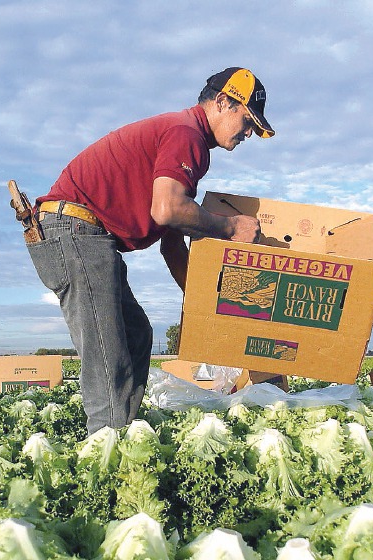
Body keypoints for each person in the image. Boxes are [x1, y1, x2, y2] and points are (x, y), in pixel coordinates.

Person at [25, 67, 274, 434]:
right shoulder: (185, 134)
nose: (249, 133)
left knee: (137, 334)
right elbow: (168, 209)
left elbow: (171, 242)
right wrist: (232, 226)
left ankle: (121, 431)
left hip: (78, 233)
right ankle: (107, 454)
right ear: (222, 102)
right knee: (110, 356)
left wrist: (205, 306)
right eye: (247, 120)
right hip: (75, 232)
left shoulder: (185, 140)